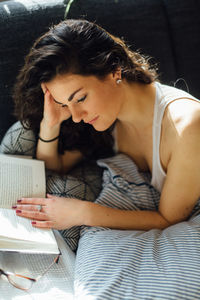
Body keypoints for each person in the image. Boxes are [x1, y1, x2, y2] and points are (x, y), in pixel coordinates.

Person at [12, 19, 200, 231]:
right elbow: (54, 170)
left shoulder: (188, 125)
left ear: (114, 70)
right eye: (65, 103)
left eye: (80, 98)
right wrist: (50, 124)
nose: (75, 116)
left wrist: (82, 212)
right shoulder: (109, 120)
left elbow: (169, 219)